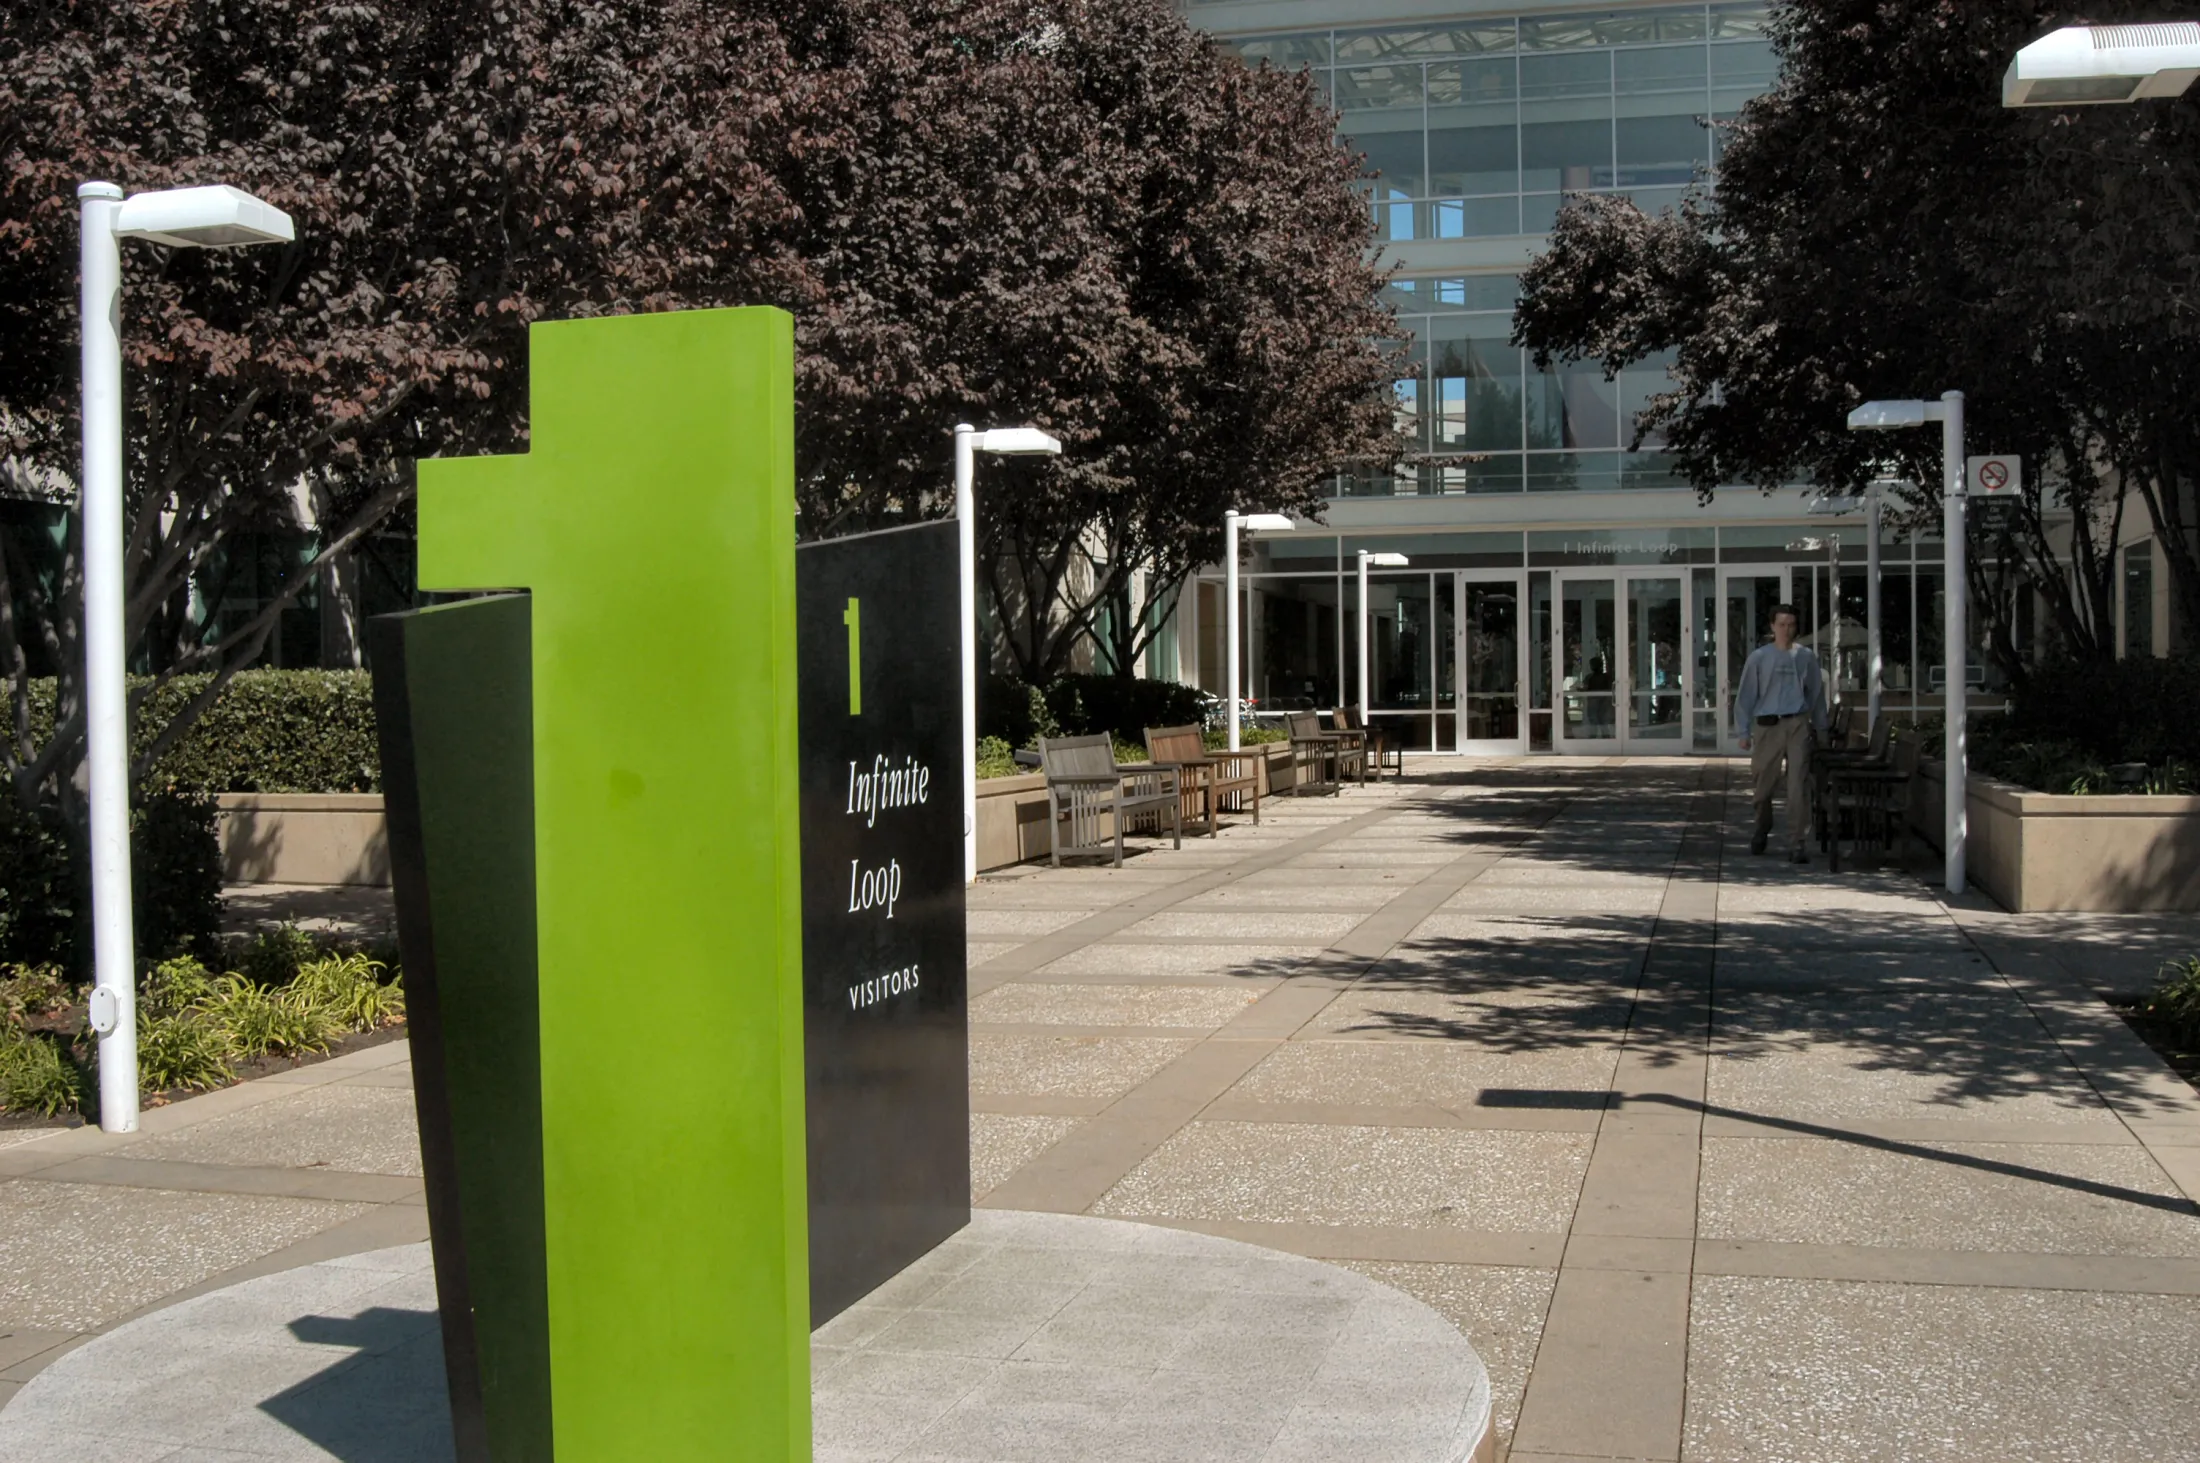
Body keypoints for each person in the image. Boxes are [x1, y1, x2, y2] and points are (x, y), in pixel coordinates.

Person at [1734, 603, 1828, 862]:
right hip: (1767, 726)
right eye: (1782, 624)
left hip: (1797, 723)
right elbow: (1745, 696)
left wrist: (1822, 729)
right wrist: (1742, 731)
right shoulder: (1759, 658)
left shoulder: (1806, 657)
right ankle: (1762, 826)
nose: (1787, 629)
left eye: (1791, 624)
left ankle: (1797, 841)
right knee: (1763, 787)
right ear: (1772, 626)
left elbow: (1817, 696)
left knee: (1798, 785)